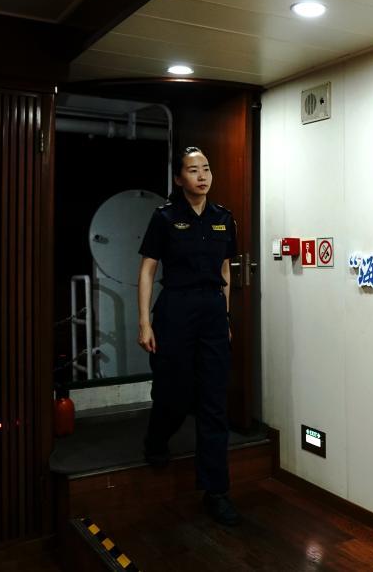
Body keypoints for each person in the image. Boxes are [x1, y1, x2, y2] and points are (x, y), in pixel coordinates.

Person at [136, 146, 240, 526]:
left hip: (211, 311)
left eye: (206, 169)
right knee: (173, 394)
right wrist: (144, 323)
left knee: (214, 403)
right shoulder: (164, 217)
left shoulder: (223, 218)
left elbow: (225, 270)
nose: (202, 176)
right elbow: (148, 270)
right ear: (179, 178)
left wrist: (225, 316)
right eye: (193, 170)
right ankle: (156, 439)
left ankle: (216, 491)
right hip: (175, 309)